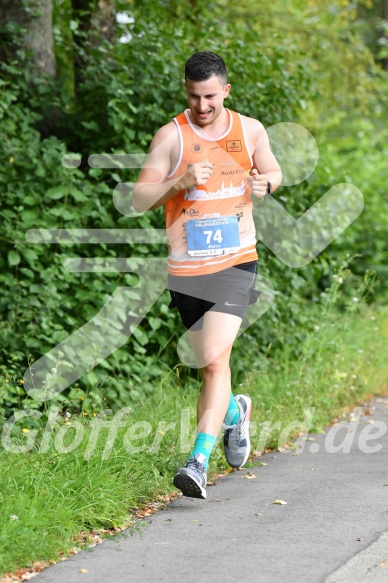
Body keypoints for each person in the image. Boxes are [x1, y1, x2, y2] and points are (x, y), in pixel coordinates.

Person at [133, 51, 282, 499]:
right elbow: (139, 199)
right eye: (195, 96)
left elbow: (274, 170)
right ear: (186, 90)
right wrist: (177, 182)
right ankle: (235, 414)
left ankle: (197, 462)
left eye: (211, 97)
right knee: (209, 366)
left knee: (215, 358)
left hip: (236, 261)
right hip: (187, 270)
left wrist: (266, 183)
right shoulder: (171, 136)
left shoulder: (249, 130)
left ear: (226, 91)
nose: (202, 106)